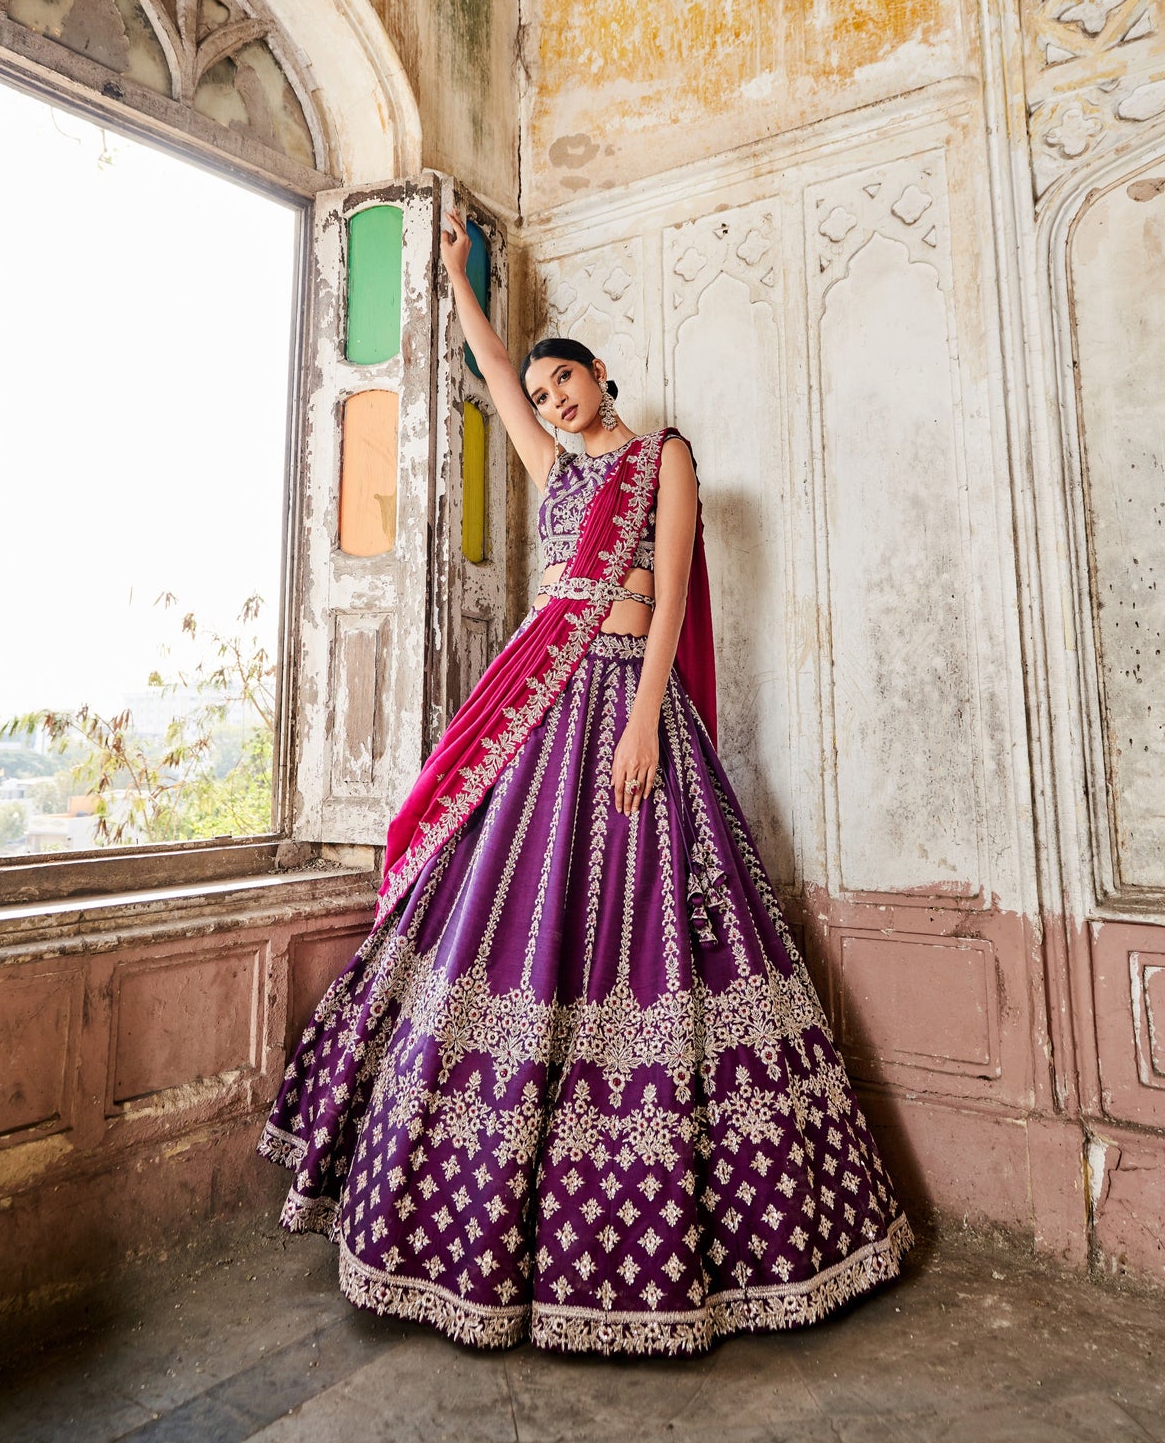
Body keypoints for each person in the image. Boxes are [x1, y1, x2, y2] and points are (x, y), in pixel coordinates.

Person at [258, 206, 914, 1356]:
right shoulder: (550, 464)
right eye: (546, 391)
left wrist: (649, 723)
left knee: (659, 924)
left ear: (607, 377)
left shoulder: (663, 458)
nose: (553, 400)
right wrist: (463, 278)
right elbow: (495, 370)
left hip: (629, 703)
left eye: (570, 383)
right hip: (547, 699)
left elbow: (661, 601)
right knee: (504, 913)